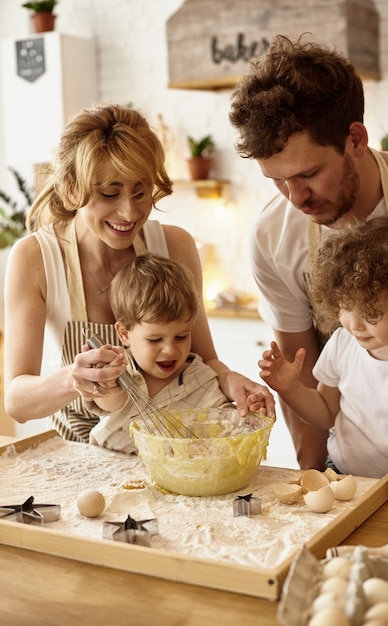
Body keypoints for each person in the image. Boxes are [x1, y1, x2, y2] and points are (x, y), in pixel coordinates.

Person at [4, 103, 275, 444]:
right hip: (82, 456)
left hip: (166, 449)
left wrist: (231, 380)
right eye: (110, 193)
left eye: (141, 191)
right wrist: (73, 379)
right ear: (73, 190)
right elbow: (16, 402)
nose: (130, 212)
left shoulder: (175, 245)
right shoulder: (36, 258)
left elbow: (203, 361)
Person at [229, 34, 388, 470]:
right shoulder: (272, 235)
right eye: (276, 180)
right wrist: (314, 484)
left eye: (308, 173)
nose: (295, 198)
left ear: (355, 138)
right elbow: (306, 372)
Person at [258, 214, 388, 482]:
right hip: (343, 475)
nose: (354, 324)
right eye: (345, 306)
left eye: (371, 313)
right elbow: (326, 413)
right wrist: (290, 388)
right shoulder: (343, 343)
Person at [86, 252, 236, 453]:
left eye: (181, 336)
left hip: (179, 476)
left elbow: (224, 421)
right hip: (109, 468)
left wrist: (243, 416)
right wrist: (107, 382)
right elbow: (110, 401)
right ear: (124, 333)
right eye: (155, 340)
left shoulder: (199, 377)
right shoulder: (120, 369)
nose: (171, 350)